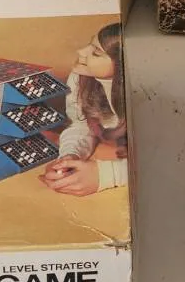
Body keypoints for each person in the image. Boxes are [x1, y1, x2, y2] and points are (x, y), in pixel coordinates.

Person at [41, 23, 126, 197]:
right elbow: (80, 125)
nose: (81, 51)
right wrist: (70, 155)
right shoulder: (80, 79)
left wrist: (105, 175)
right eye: (90, 44)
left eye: (97, 52)